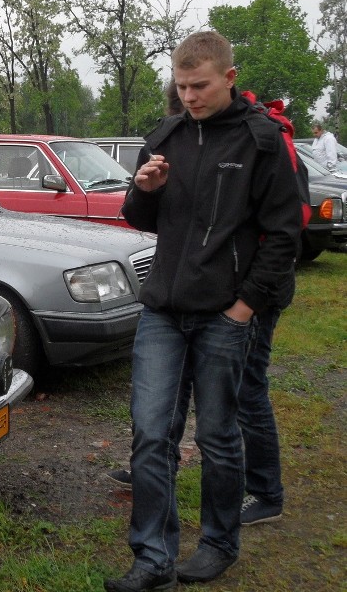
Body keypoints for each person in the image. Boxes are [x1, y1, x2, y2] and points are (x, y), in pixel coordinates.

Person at [104, 31, 302, 592]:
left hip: (224, 314)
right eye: (182, 85)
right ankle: (152, 559)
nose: (189, 96)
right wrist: (144, 189)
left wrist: (244, 308)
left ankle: (218, 543)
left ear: (229, 78)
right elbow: (142, 219)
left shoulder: (260, 140)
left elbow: (285, 236)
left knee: (217, 436)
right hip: (162, 311)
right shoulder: (165, 135)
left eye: (200, 85)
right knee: (151, 435)